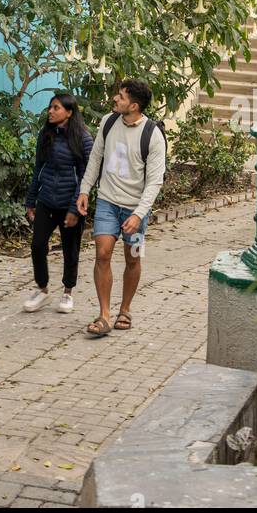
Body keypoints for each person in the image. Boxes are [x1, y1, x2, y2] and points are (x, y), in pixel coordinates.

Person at [76, 78, 166, 338]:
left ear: (134, 105)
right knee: (102, 252)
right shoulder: (109, 121)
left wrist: (139, 214)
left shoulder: (153, 135)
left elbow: (155, 181)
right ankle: (104, 315)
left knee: (132, 258)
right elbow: (95, 158)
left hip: (137, 210)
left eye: (121, 97)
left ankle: (124, 309)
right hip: (107, 202)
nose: (115, 99)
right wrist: (85, 189)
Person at [24, 93, 94, 314]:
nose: (50, 112)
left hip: (70, 203)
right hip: (47, 200)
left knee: (70, 250)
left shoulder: (83, 138)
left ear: (69, 112)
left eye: (56, 108)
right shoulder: (46, 134)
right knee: (37, 246)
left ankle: (67, 293)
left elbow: (86, 176)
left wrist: (75, 208)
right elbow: (38, 168)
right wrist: (31, 200)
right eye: (50, 108)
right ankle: (42, 289)